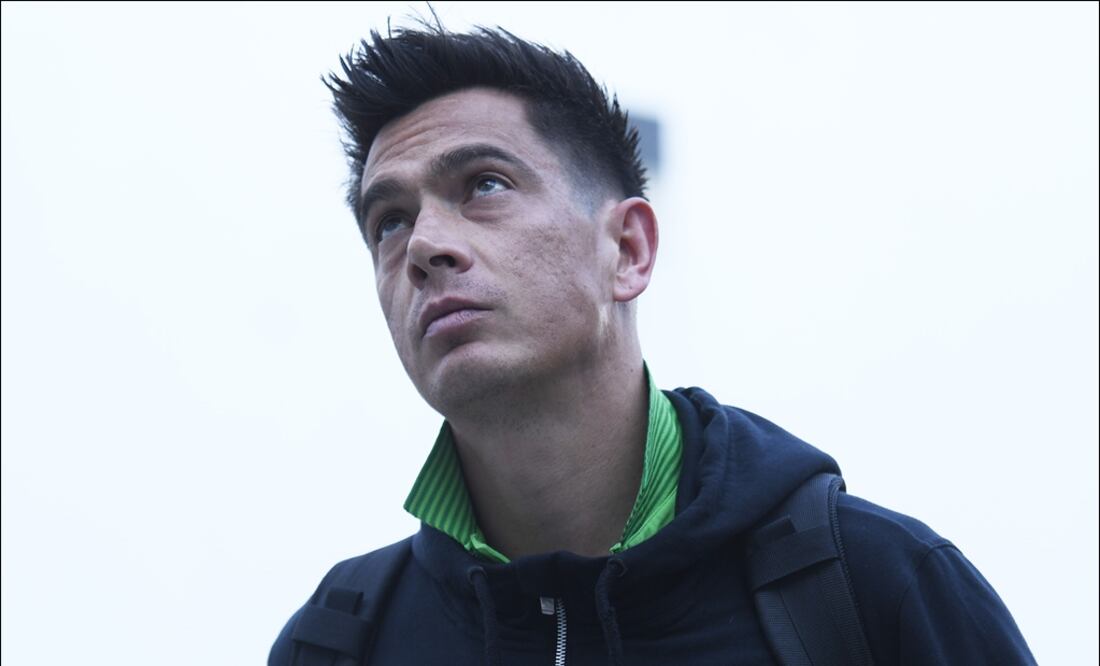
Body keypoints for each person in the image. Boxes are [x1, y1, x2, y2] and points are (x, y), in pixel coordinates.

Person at [270, 21, 1036, 665]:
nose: (423, 245)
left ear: (629, 250)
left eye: (485, 185)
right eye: (390, 221)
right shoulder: (336, 642)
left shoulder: (878, 591)